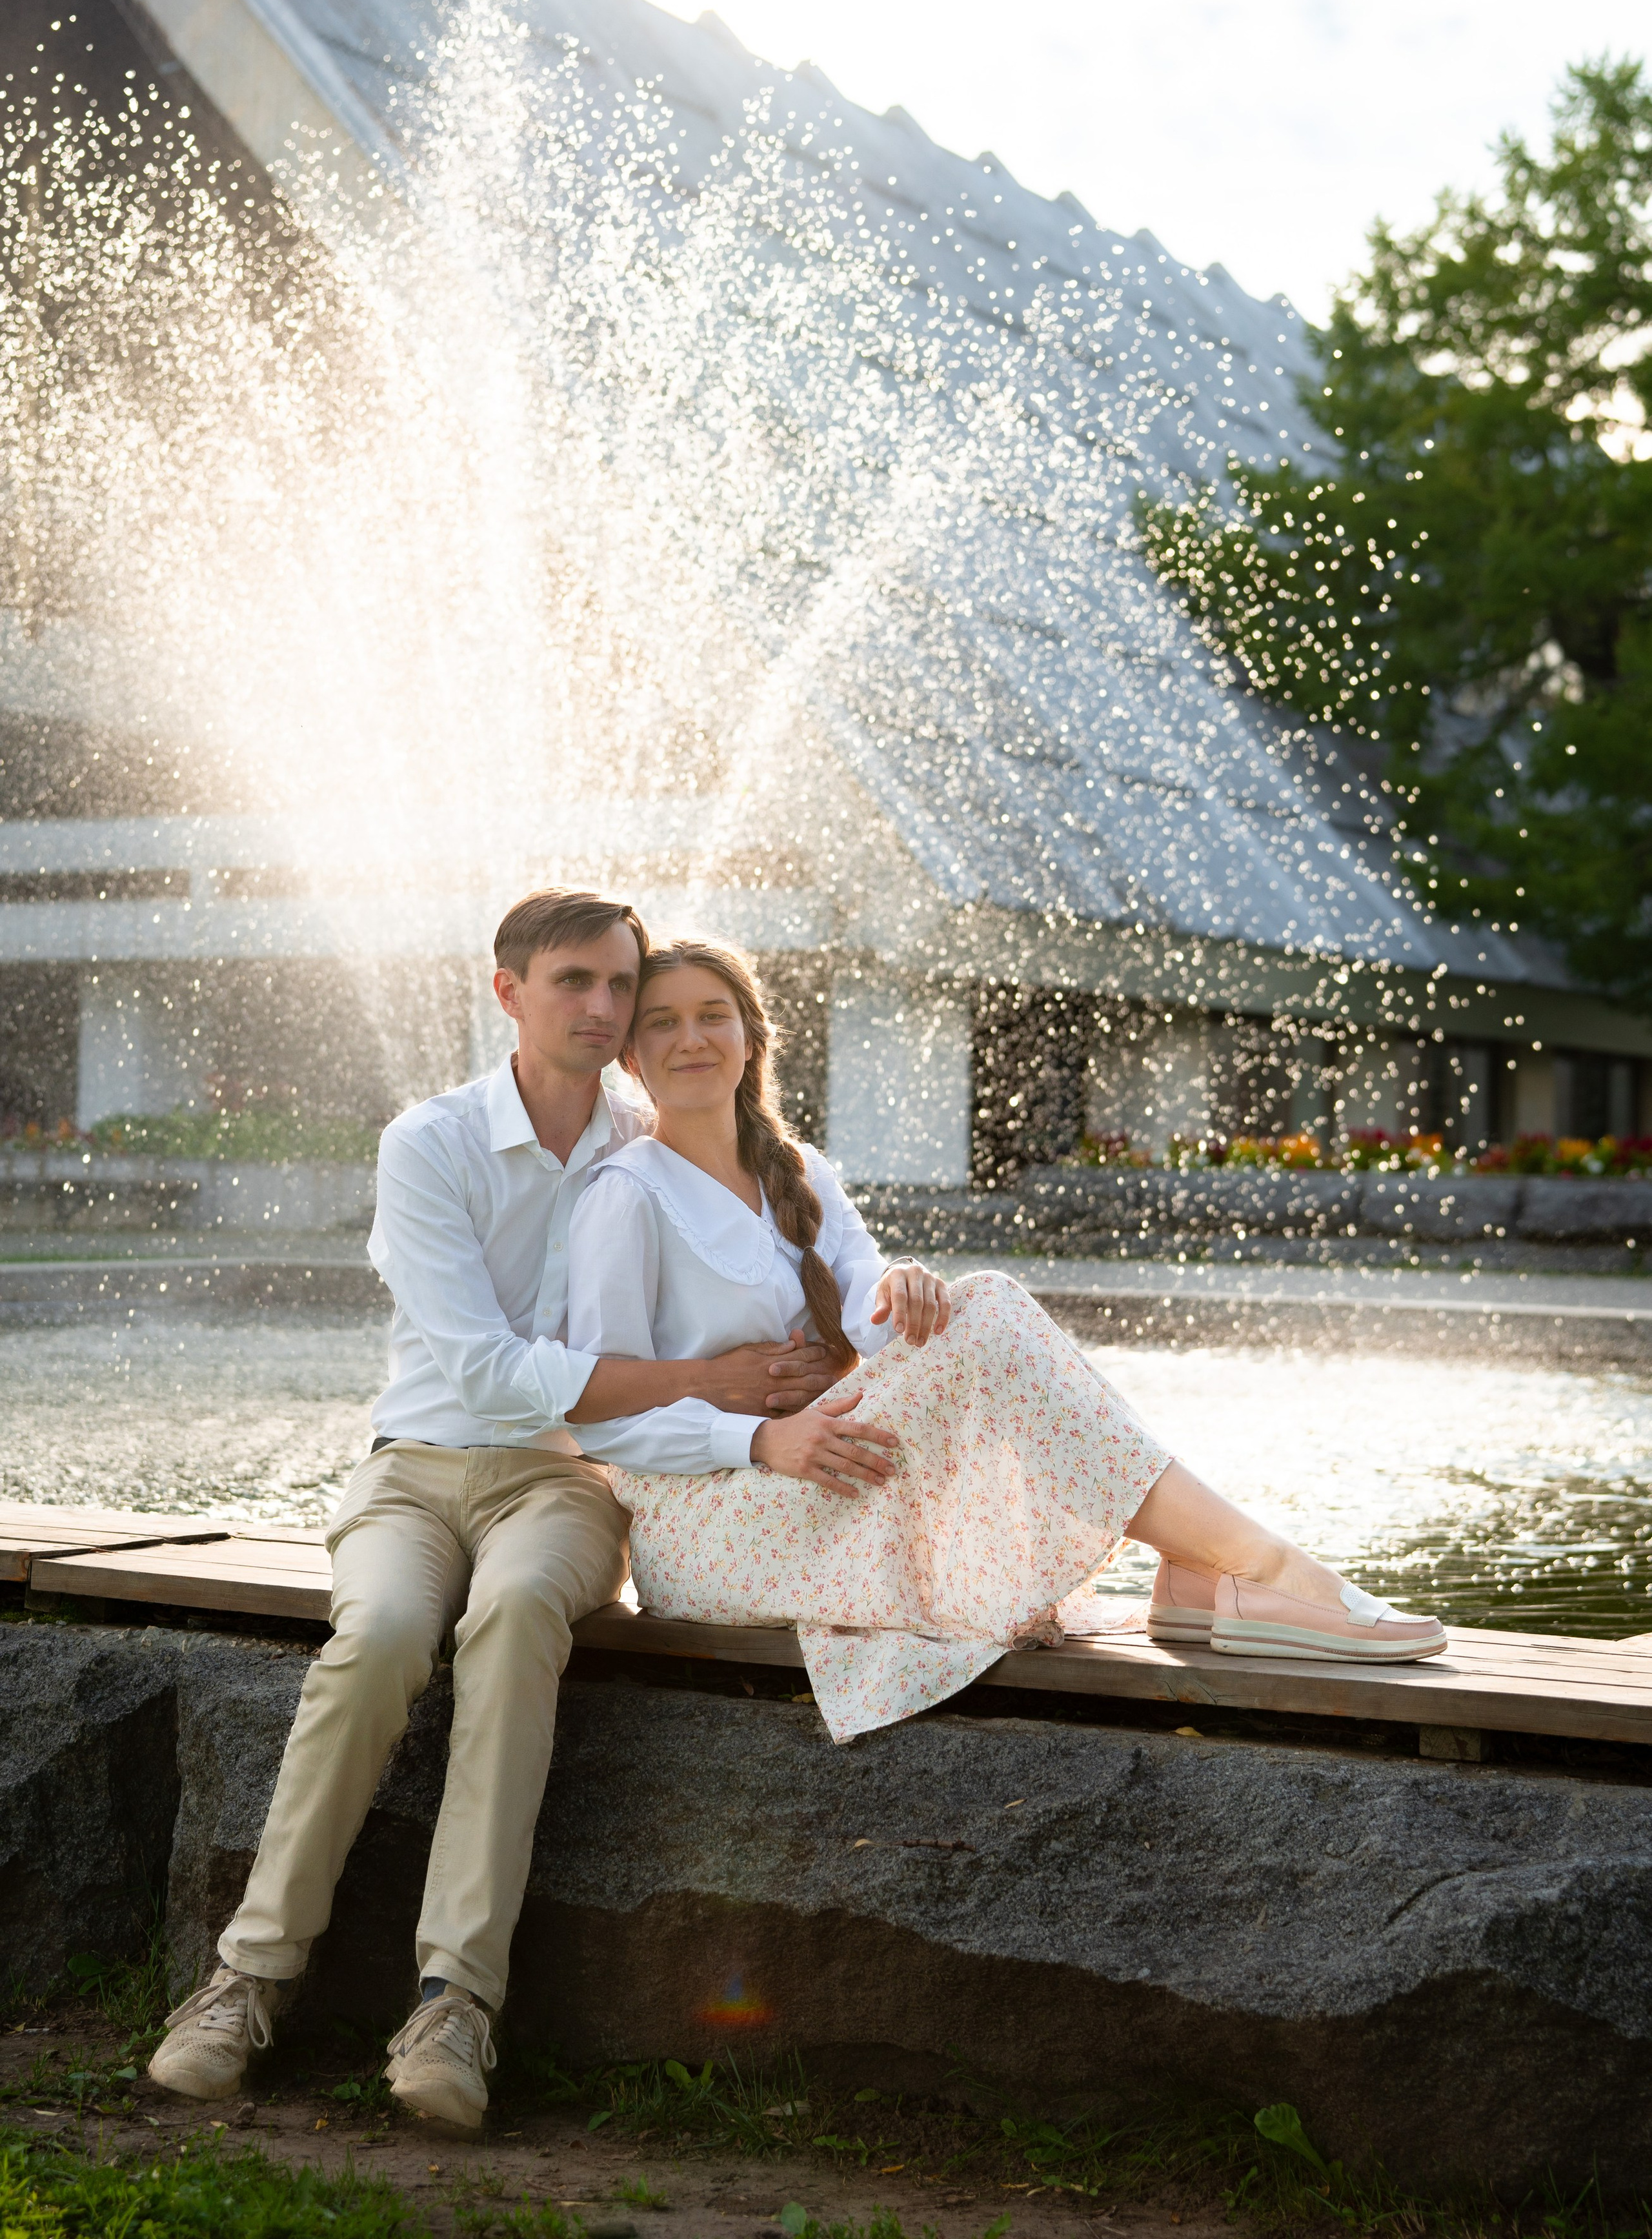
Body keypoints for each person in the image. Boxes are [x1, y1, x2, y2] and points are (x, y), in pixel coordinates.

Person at [146, 889, 841, 2131]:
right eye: (575, 981)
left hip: (571, 1479)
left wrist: (811, 1358)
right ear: (509, 991)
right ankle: (247, 1979)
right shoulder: (431, 1142)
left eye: (621, 985)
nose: (606, 1008)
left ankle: (456, 2005)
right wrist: (705, 1383)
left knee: (518, 1614)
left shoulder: (656, 1130)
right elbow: (480, 1371)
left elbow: (779, 1251)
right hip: (417, 1465)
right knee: (378, 1642)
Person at [566, 936, 1445, 1743]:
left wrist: (899, 1287)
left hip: (815, 1471)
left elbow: (868, 1303)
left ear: (751, 1037)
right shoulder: (625, 1195)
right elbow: (602, 1418)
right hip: (711, 1528)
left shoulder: (797, 1171)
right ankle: (1243, 1566)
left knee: (975, 1306)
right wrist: (759, 1437)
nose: (693, 1038)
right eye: (664, 1023)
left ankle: (1214, 1567)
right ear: (632, 1058)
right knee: (987, 1311)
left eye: (713, 1015)